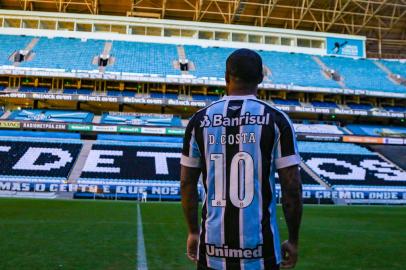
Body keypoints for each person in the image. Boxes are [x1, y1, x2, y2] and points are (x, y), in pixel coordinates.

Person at [180, 48, 302, 270]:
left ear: (226, 77)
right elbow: (291, 187)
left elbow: (187, 183)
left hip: (211, 248)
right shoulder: (277, 120)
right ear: (260, 79)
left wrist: (193, 231)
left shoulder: (199, 120)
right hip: (261, 250)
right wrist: (293, 240)